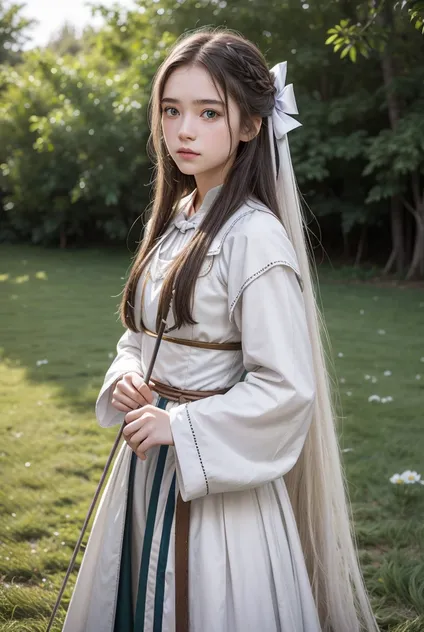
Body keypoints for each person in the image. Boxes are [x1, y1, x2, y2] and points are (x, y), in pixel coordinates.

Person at [62, 28, 379, 632]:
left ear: (251, 125)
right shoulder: (178, 217)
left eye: (209, 112)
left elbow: (286, 387)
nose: (184, 130)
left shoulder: (254, 237)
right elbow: (141, 335)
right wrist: (129, 376)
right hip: (145, 462)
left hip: (215, 488)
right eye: (171, 110)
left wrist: (178, 424)